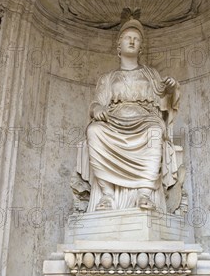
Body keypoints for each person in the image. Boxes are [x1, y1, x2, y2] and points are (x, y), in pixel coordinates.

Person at [77, 17, 180, 211]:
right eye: (127, 37)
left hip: (145, 121)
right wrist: (97, 109)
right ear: (119, 46)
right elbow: (96, 102)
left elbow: (165, 100)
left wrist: (171, 89)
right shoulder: (108, 78)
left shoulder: (151, 75)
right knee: (94, 131)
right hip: (114, 122)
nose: (132, 41)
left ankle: (144, 193)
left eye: (136, 39)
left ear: (141, 47)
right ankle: (107, 196)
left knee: (155, 132)